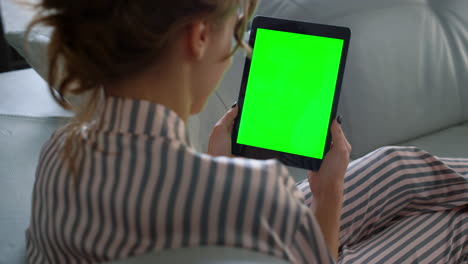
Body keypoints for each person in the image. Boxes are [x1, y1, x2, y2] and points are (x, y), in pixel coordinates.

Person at [25, 0, 468, 263]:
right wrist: (328, 193)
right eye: (236, 31)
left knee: (394, 165)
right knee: (452, 225)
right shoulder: (254, 192)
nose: (237, 47)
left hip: (235, 220)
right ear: (199, 36)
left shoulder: (60, 154)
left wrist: (219, 167)